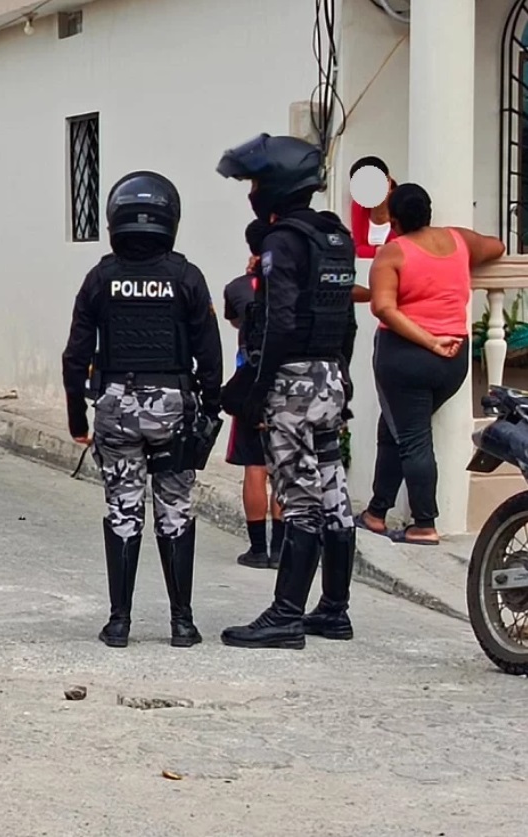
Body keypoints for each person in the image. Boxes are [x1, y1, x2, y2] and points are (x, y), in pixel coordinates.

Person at [62, 171, 223, 649]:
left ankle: (119, 623)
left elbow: (75, 356)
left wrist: (76, 418)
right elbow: (209, 352)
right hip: (174, 408)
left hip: (115, 407)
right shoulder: (187, 277)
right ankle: (182, 623)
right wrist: (210, 408)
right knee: (175, 510)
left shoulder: (100, 278)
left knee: (123, 508)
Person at [216, 133, 359, 650]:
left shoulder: (282, 242)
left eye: (255, 183)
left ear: (275, 186)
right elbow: (346, 319)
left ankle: (286, 615)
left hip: (293, 384)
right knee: (334, 493)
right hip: (330, 377)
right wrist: (342, 377)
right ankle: (334, 610)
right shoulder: (334, 236)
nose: (252, 192)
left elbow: (278, 320)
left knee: (299, 499)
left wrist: (257, 390)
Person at [357, 184, 506, 546]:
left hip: (406, 358)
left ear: (394, 221)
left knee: (412, 438)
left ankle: (424, 523)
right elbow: (497, 246)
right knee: (393, 428)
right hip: (453, 360)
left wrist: (428, 340)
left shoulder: (393, 253)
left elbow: (383, 308)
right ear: (429, 212)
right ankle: (377, 512)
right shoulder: (459, 240)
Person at [224, 218, 285, 569]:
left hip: (250, 385)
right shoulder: (292, 283)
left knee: (255, 466)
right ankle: (280, 550)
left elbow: (235, 320)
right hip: (287, 383)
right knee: (281, 466)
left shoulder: (236, 287)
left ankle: (257, 549)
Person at [349, 156, 397, 260]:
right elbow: (358, 248)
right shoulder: (358, 206)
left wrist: (374, 251)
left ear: (388, 182)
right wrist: (382, 251)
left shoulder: (401, 205)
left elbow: (401, 251)